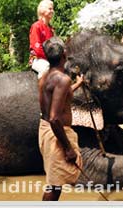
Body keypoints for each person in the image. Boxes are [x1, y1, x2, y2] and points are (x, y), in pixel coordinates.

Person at [38, 37, 84, 201]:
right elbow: (54, 119)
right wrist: (68, 148)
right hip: (56, 132)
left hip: (46, 130)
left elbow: (59, 95)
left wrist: (77, 84)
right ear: (64, 54)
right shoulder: (62, 79)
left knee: (54, 182)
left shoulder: (45, 76)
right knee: (55, 186)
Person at [29, 0, 55, 79]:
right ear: (42, 11)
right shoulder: (36, 26)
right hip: (37, 59)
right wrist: (49, 59)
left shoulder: (51, 29)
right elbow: (37, 47)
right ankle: (41, 90)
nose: (52, 11)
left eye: (52, 9)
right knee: (45, 67)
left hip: (49, 59)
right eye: (50, 9)